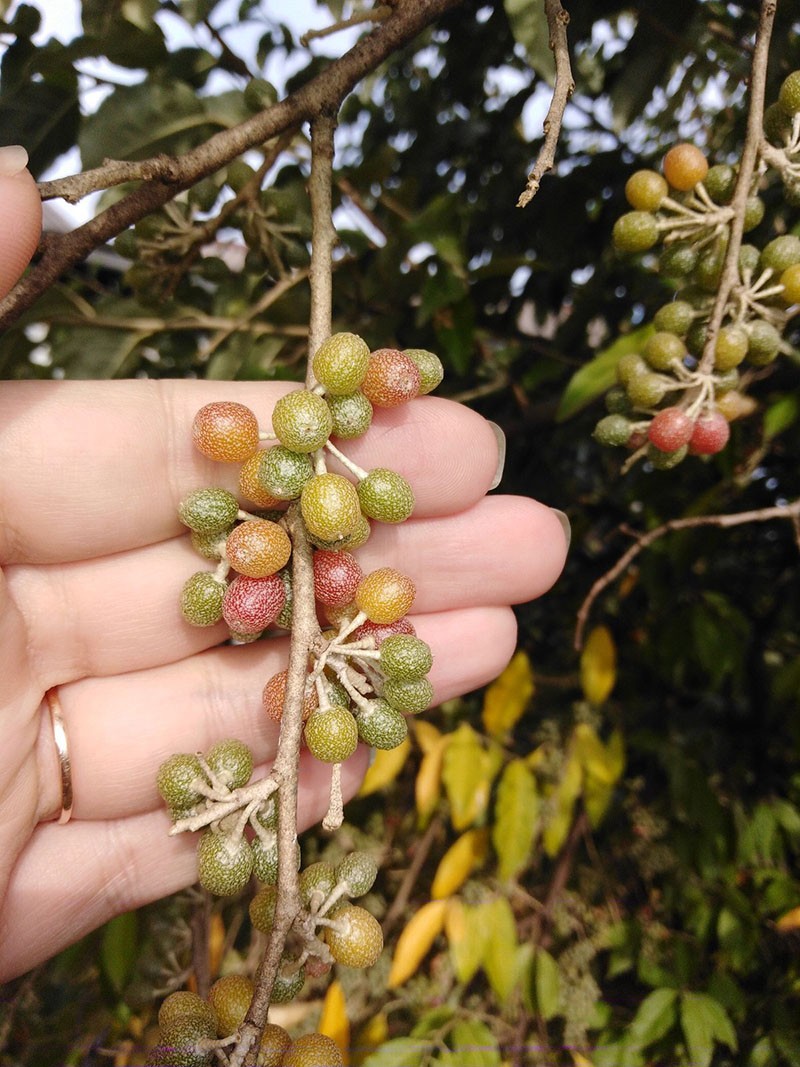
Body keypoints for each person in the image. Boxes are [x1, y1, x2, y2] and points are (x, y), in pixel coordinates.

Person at [0, 147, 569, 983]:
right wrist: (250, 560)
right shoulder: (267, 522)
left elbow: (347, 566)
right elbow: (245, 581)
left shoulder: (342, 510)